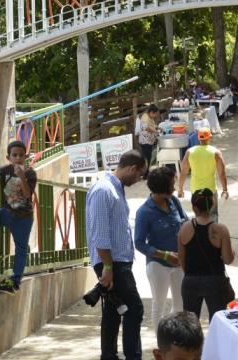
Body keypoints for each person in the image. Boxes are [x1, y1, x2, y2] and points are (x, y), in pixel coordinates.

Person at [85, 151, 147, 360]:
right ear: (131, 168)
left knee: (114, 311)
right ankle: (133, 356)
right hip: (112, 263)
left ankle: (109, 355)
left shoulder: (115, 188)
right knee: (134, 309)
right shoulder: (104, 190)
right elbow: (100, 234)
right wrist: (108, 268)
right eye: (139, 174)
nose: (139, 179)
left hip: (117, 262)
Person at [135, 167, 187, 327]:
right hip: (157, 265)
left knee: (180, 305)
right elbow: (139, 243)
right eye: (171, 185)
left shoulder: (174, 202)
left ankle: (174, 336)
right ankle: (162, 344)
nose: (174, 188)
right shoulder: (144, 212)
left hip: (179, 263)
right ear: (162, 188)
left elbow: (185, 222)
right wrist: (164, 255)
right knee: (159, 304)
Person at [178, 188, 235, 322]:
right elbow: (228, 259)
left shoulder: (184, 228)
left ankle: (192, 343)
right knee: (218, 321)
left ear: (193, 207)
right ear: (212, 205)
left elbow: (181, 258)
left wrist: (191, 273)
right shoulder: (220, 230)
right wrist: (233, 253)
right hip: (215, 279)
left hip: (191, 280)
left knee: (190, 324)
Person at [0, 140, 38, 293]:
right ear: (8, 157)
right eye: (14, 155)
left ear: (26, 156)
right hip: (6, 213)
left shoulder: (30, 173)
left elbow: (27, 194)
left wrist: (22, 176)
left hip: (23, 218)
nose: (18, 158)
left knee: (21, 248)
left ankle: (15, 281)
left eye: (21, 155)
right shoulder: (5, 170)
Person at [177, 129, 228, 216]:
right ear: (209, 138)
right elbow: (222, 173)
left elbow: (183, 172)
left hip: (195, 190)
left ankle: (200, 230)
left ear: (198, 139)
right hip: (210, 190)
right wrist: (225, 189)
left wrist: (180, 189)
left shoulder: (190, 152)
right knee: (213, 216)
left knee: (198, 215)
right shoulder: (216, 152)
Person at [138, 106, 160, 178]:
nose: (156, 115)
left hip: (149, 141)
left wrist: (157, 128)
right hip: (145, 141)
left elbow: (152, 125)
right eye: (155, 114)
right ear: (151, 112)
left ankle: (146, 173)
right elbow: (146, 128)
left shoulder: (150, 117)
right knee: (146, 157)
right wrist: (156, 131)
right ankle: (145, 174)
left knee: (148, 157)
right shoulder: (145, 117)